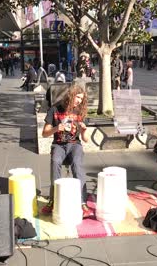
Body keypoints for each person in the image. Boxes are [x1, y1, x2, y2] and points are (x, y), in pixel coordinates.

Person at [41, 85, 93, 218]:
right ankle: (54, 199)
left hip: (75, 144)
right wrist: (56, 128)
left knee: (77, 163)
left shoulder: (79, 112)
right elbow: (44, 133)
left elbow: (85, 140)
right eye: (78, 97)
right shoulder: (55, 109)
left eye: (82, 99)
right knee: (55, 162)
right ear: (71, 95)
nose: (79, 101)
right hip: (58, 144)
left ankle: (82, 201)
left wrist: (84, 130)